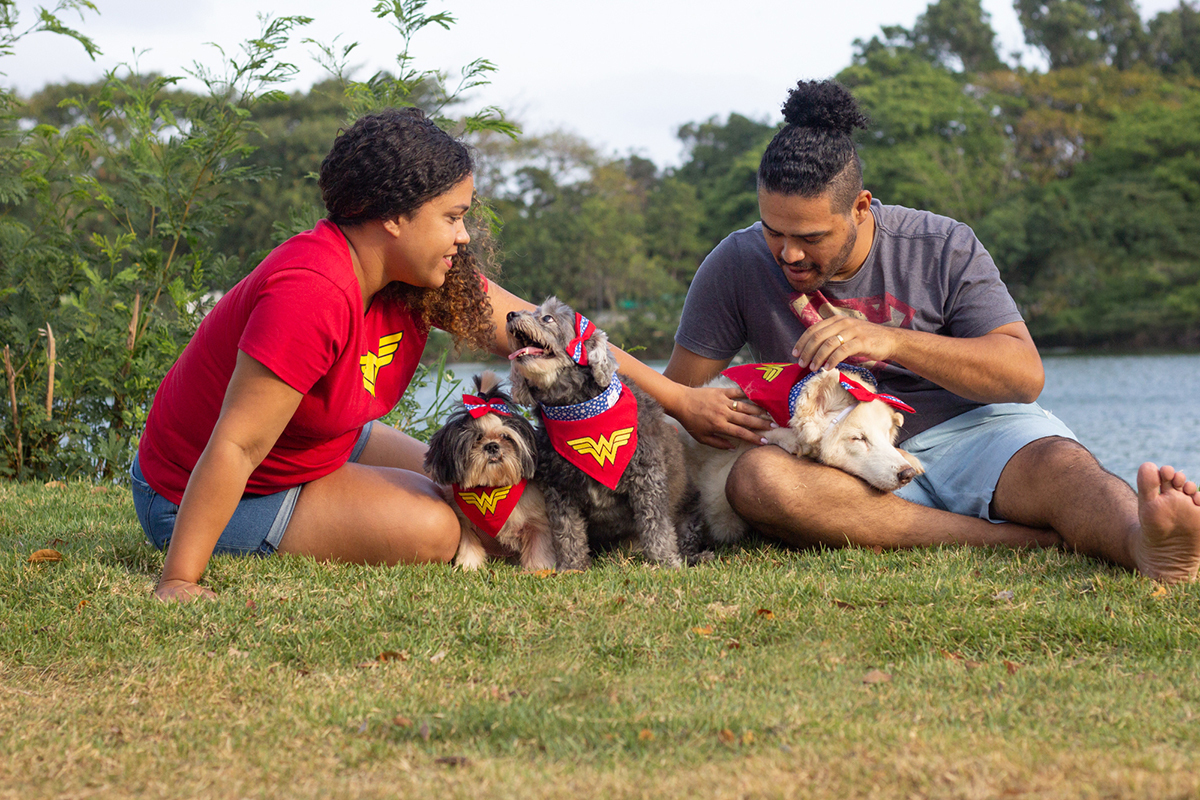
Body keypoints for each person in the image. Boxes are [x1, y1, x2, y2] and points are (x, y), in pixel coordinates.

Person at [131, 107, 739, 602]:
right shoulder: (311, 289)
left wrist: (680, 400)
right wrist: (180, 580)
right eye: (452, 217)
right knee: (439, 526)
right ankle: (191, 553)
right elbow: (237, 444)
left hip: (319, 444)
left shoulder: (421, 280)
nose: (464, 235)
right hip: (198, 491)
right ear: (395, 215)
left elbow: (568, 339)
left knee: (487, 493)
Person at [663, 79, 1200, 584]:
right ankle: (1025, 541)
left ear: (860, 206)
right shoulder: (737, 261)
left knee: (1062, 466)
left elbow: (1024, 376)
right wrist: (700, 409)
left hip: (977, 435)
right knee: (758, 481)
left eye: (810, 236)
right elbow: (678, 396)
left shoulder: (941, 244)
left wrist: (891, 340)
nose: (789, 253)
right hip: (842, 465)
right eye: (773, 231)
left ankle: (1146, 546)